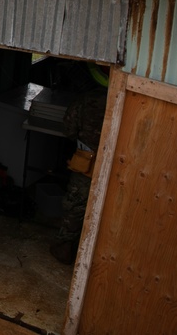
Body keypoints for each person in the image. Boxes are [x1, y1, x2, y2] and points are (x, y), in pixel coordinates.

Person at [49, 65, 108, 265]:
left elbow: (69, 129)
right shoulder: (127, 99)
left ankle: (64, 250)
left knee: (75, 206)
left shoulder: (86, 99)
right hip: (117, 166)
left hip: (86, 162)